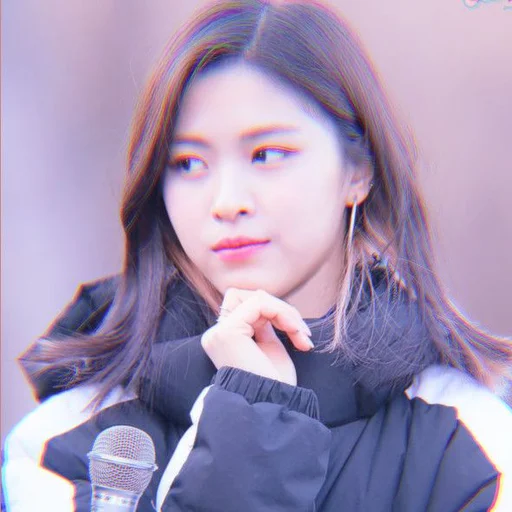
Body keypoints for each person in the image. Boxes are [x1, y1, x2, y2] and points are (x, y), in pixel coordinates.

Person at [2, 0, 512, 510]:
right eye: (188, 163)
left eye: (266, 155)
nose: (226, 202)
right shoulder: (70, 444)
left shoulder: (471, 446)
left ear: (358, 171)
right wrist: (250, 425)